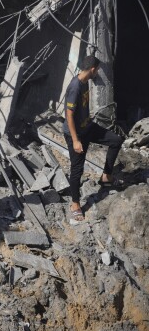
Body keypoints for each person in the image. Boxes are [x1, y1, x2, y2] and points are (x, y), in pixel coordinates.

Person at [63, 56, 124, 221]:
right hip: (75, 133)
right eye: (97, 70)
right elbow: (68, 115)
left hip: (87, 127)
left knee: (116, 140)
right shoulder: (75, 87)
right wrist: (76, 140)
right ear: (92, 69)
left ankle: (106, 176)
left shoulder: (85, 82)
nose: (97, 72)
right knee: (77, 170)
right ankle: (75, 204)